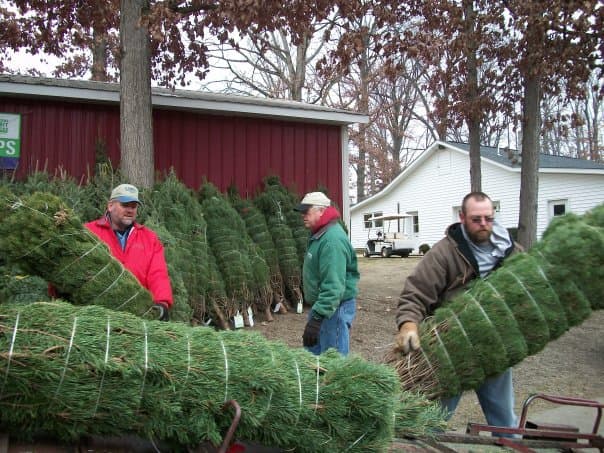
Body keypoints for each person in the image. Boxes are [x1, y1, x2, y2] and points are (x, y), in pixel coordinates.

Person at [394, 191, 521, 431]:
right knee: (433, 422)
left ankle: (509, 445)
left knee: (504, 422)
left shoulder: (511, 251)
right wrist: (408, 324)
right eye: (476, 219)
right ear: (462, 217)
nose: (484, 224)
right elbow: (415, 293)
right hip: (451, 350)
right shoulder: (445, 253)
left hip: (495, 347)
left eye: (488, 218)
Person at [85, 183, 173, 321]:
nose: (130, 210)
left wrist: (162, 302)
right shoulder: (89, 232)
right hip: (96, 315)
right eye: (125, 205)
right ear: (110, 206)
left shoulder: (149, 239)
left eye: (134, 206)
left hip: (137, 314)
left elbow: (158, 273)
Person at [294, 191, 360, 356]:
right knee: (314, 357)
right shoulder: (320, 235)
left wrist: (317, 318)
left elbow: (333, 286)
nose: (303, 216)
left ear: (322, 211)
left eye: (306, 211)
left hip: (334, 309)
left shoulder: (331, 240)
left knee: (332, 362)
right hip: (324, 307)